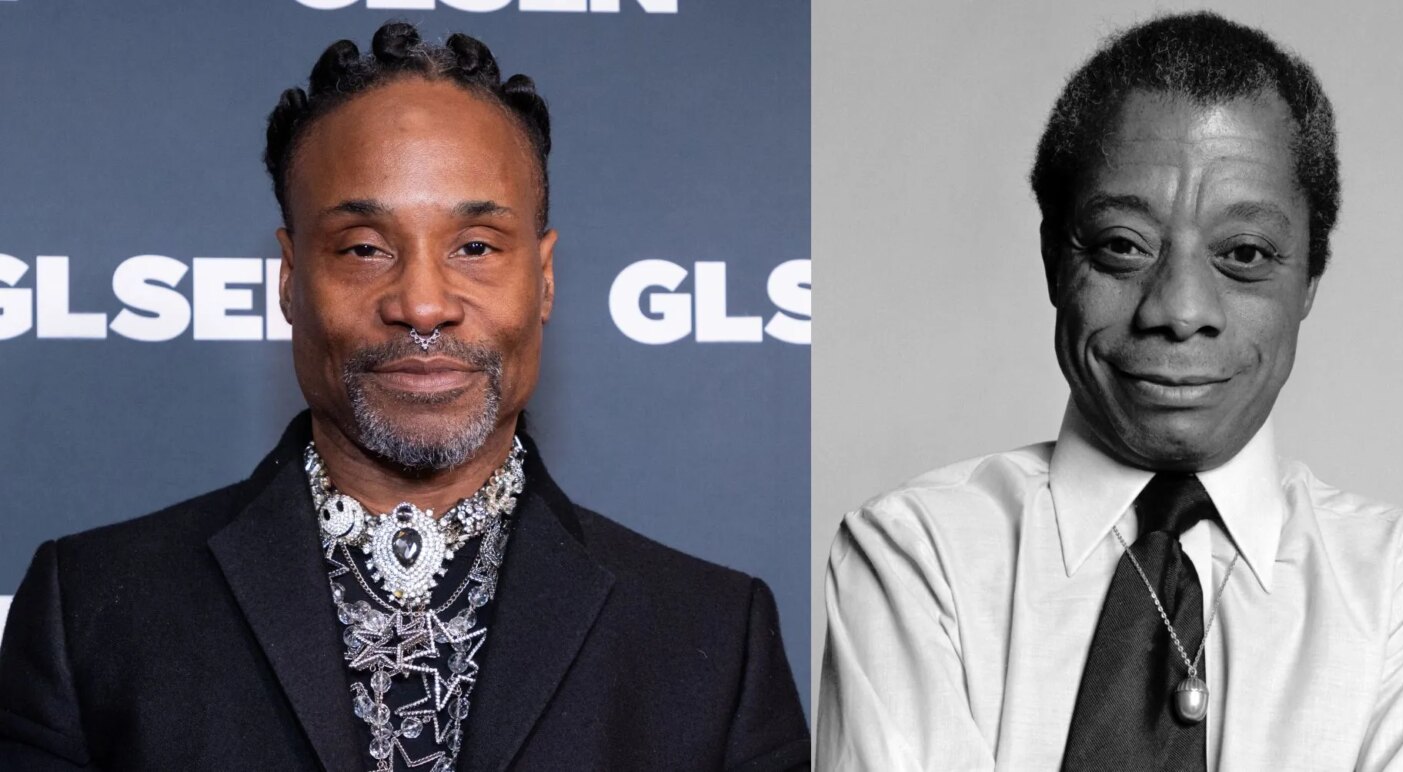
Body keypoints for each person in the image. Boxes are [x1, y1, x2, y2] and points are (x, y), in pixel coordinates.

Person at [0, 22, 809, 772]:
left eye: (476, 246)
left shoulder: (710, 638)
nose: (423, 302)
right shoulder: (95, 613)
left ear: (546, 275)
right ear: (289, 279)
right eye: (362, 247)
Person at [816, 12, 1403, 771]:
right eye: (1123, 246)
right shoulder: (920, 558)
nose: (1179, 310)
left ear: (1309, 278)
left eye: (1244, 254)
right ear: (1056, 262)